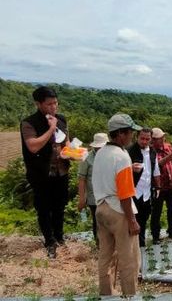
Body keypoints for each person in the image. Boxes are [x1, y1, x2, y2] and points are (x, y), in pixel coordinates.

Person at [92, 113, 142, 296]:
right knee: (129, 259)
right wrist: (132, 220)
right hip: (118, 211)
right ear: (120, 133)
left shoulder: (100, 153)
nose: (131, 136)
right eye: (130, 132)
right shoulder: (121, 156)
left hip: (101, 208)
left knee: (106, 256)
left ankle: (106, 294)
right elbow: (125, 194)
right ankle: (130, 295)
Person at [20, 85, 71, 259]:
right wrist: (51, 128)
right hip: (41, 173)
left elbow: (67, 143)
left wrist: (72, 152)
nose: (53, 107)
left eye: (55, 103)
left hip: (61, 170)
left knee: (59, 205)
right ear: (38, 104)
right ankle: (49, 240)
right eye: (49, 104)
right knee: (44, 207)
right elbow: (33, 146)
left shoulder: (62, 119)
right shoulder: (29, 123)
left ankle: (59, 236)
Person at [128, 128, 161, 247]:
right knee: (131, 222)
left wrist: (158, 187)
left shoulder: (152, 152)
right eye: (142, 138)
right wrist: (130, 167)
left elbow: (156, 171)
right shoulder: (129, 151)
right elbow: (120, 169)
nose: (144, 141)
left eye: (147, 139)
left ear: (151, 139)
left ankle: (140, 247)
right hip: (133, 192)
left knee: (143, 221)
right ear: (137, 137)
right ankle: (131, 248)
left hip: (147, 193)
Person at [151, 127, 172, 241]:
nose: (163, 139)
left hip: (170, 185)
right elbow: (158, 164)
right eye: (160, 138)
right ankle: (155, 235)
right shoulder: (151, 150)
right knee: (157, 211)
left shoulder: (168, 146)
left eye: (163, 137)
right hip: (158, 186)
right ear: (154, 140)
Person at [78, 132, 109, 245]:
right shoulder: (87, 158)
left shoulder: (110, 155)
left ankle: (109, 245)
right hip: (94, 196)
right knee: (98, 222)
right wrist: (82, 199)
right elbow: (81, 179)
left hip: (109, 195)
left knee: (109, 221)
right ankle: (99, 245)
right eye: (98, 147)